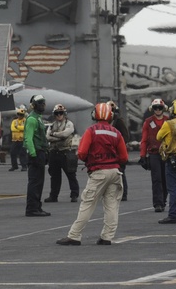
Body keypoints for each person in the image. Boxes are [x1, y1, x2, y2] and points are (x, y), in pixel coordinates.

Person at [56, 102, 128, 246]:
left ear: (94, 115)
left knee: (87, 204)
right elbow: (124, 157)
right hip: (115, 172)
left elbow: (82, 153)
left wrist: (92, 158)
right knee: (112, 205)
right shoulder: (116, 132)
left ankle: (74, 235)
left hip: (98, 172)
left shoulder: (91, 130)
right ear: (111, 115)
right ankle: (107, 237)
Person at [45, 104, 80, 202]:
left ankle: (74, 195)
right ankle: (53, 196)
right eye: (57, 113)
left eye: (61, 113)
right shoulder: (52, 125)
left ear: (64, 114)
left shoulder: (69, 124)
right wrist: (59, 137)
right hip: (54, 153)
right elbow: (47, 137)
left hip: (66, 152)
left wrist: (54, 134)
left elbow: (66, 134)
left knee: (71, 174)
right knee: (54, 176)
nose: (59, 115)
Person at [139, 98, 169, 212]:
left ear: (163, 108)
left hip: (166, 154)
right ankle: (158, 203)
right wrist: (142, 155)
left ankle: (163, 200)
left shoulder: (168, 121)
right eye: (155, 108)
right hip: (153, 154)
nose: (157, 110)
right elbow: (144, 140)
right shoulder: (148, 122)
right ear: (152, 109)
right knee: (156, 179)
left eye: (159, 108)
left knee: (166, 179)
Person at [23, 94, 50, 217]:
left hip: (40, 152)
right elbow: (28, 139)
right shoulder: (32, 119)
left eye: (43, 103)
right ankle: (32, 208)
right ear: (34, 105)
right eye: (40, 103)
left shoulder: (38, 118)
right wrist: (34, 154)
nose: (43, 105)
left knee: (39, 182)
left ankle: (37, 207)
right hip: (36, 153)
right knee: (35, 182)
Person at [109, 101, 130, 201]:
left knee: (121, 172)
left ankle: (124, 193)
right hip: (111, 151)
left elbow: (125, 136)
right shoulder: (109, 122)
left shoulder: (118, 121)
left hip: (118, 151)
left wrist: (118, 146)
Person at [9, 106, 28, 171]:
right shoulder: (14, 121)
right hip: (15, 139)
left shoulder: (25, 121)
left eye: (21, 115)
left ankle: (24, 166)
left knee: (22, 153)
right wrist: (20, 129)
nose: (20, 116)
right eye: (19, 114)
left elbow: (25, 128)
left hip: (22, 139)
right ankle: (14, 166)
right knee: (12, 153)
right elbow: (12, 128)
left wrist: (17, 127)